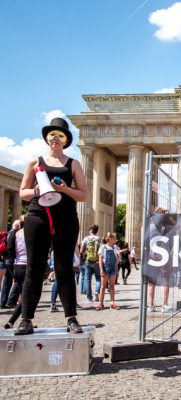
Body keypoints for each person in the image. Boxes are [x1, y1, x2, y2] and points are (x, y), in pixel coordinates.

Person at [15, 117, 87, 335]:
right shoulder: (35, 163)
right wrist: (37, 190)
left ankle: (71, 318)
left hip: (65, 217)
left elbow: (83, 195)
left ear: (66, 141)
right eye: (52, 135)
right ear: (47, 138)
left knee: (64, 268)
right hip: (38, 216)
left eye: (60, 135)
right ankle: (26, 319)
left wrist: (65, 189)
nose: (55, 138)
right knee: (34, 268)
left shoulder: (73, 164)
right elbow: (22, 193)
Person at [3, 215, 26, 329]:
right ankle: (12, 321)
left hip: (17, 266)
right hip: (27, 266)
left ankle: (26, 321)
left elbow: (10, 249)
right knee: (27, 297)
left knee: (24, 295)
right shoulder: (28, 233)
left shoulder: (14, 234)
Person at [96, 232, 120, 310]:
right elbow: (100, 260)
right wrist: (101, 269)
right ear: (109, 239)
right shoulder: (103, 247)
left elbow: (118, 257)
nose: (115, 240)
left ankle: (112, 302)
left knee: (112, 286)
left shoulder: (115, 247)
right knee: (103, 286)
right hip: (105, 267)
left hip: (113, 267)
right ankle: (101, 303)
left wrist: (117, 268)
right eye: (114, 238)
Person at [1, 220, 21, 309]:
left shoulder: (8, 233)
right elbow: (10, 248)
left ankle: (3, 302)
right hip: (11, 261)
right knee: (17, 280)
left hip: (6, 260)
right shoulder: (14, 234)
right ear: (17, 227)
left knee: (7, 281)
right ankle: (11, 301)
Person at [80, 224, 102, 302]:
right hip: (96, 261)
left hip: (88, 261)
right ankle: (96, 291)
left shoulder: (86, 238)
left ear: (90, 230)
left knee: (88, 279)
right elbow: (101, 251)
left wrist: (86, 253)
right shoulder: (99, 239)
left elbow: (81, 251)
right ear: (96, 231)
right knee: (98, 278)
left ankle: (89, 298)